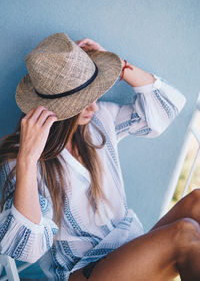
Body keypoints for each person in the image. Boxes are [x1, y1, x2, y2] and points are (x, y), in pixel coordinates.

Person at [0, 32, 200, 281]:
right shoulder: (21, 158)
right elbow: (26, 248)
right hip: (83, 272)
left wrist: (121, 67)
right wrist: (27, 159)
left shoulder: (98, 122)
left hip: (126, 247)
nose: (94, 106)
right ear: (59, 110)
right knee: (185, 234)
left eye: (93, 95)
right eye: (83, 102)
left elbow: (165, 110)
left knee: (198, 201)